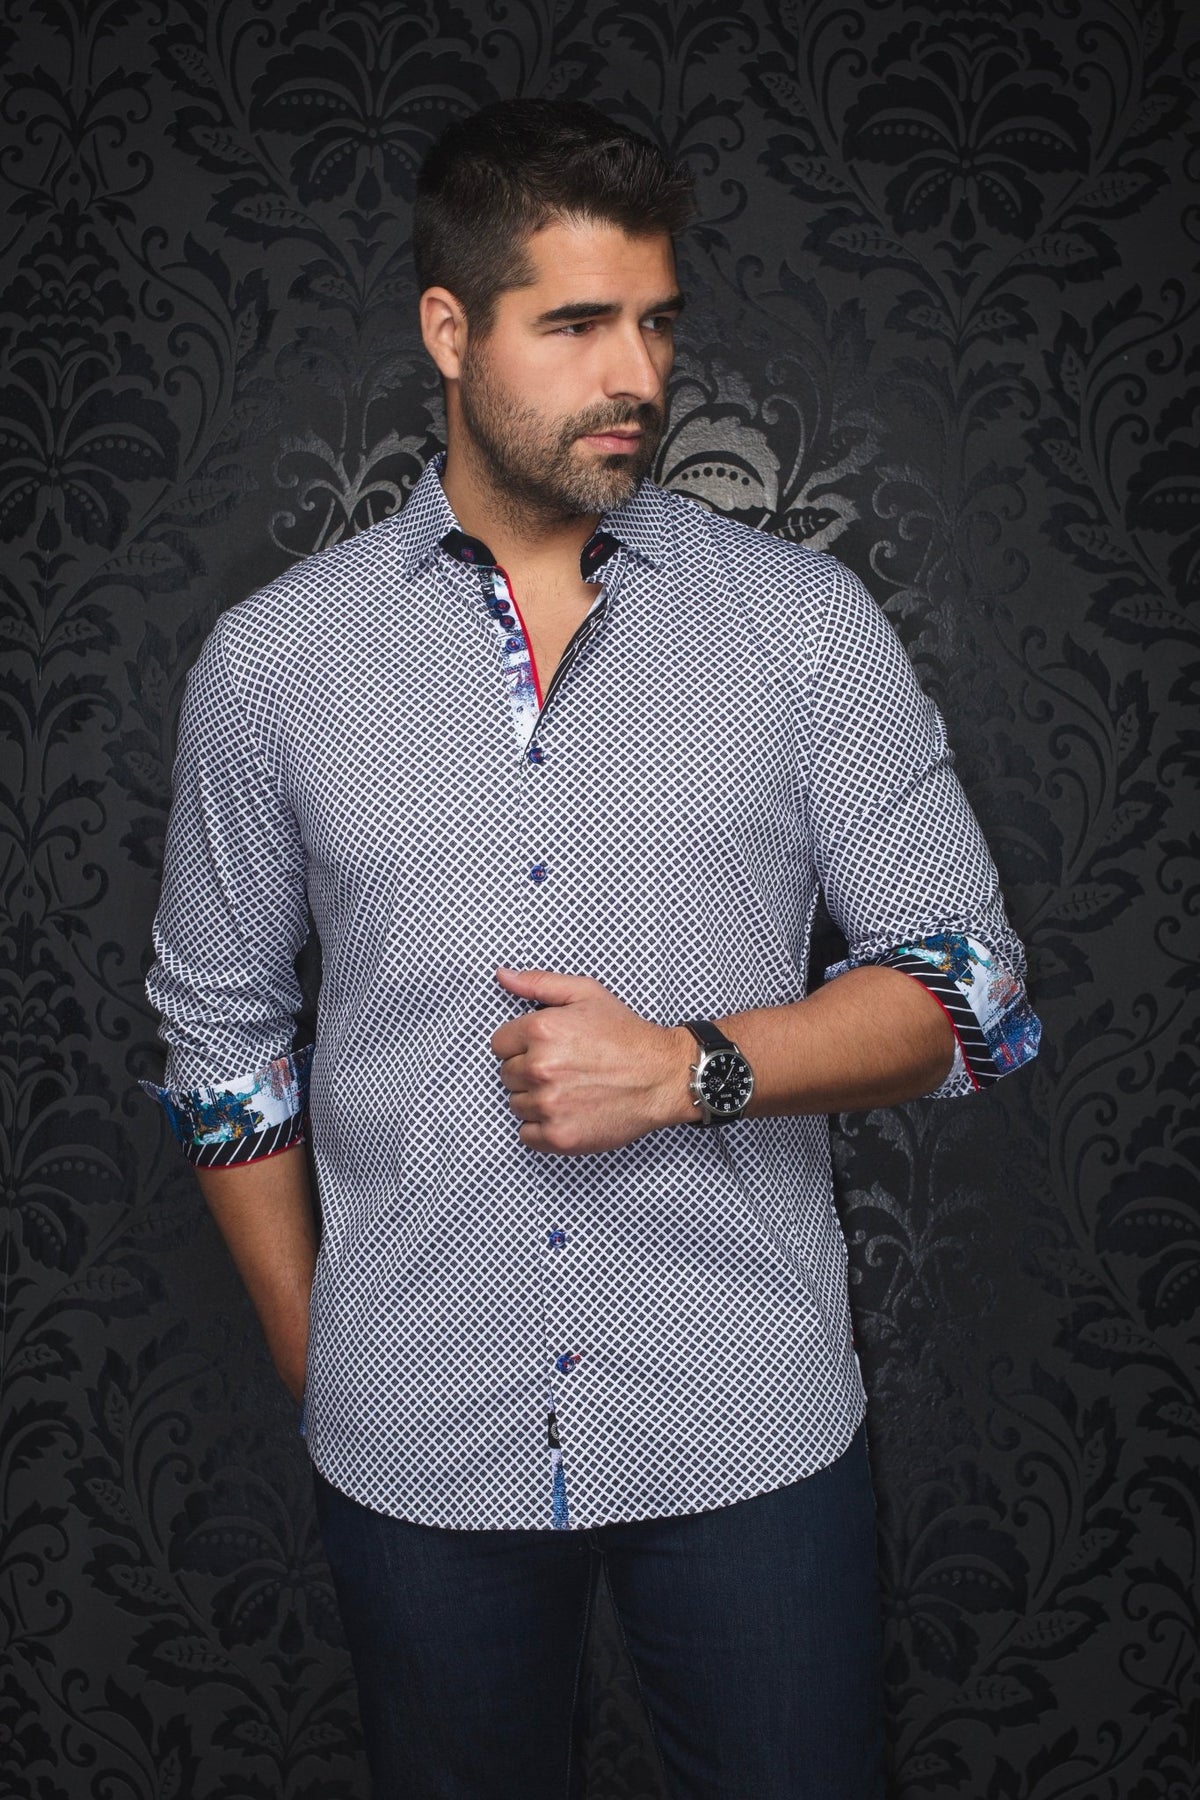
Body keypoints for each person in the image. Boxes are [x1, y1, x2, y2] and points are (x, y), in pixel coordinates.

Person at [143, 98, 1041, 1800]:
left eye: (656, 321)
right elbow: (221, 1043)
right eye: (574, 325)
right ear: (450, 329)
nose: (636, 373)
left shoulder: (801, 627)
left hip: (746, 1423)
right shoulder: (274, 666)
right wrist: (325, 1354)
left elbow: (977, 1001)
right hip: (415, 1440)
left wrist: (693, 1069)